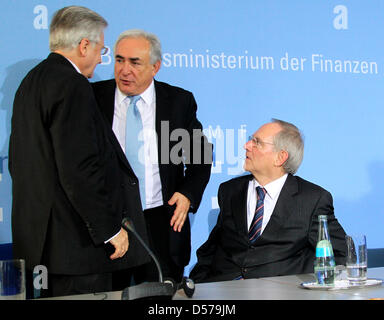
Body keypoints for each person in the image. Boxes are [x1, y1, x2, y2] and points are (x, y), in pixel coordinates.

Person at [8, 6, 149, 298]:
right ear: (84, 45)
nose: (101, 57)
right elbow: (79, 169)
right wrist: (109, 229)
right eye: (102, 48)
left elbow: (21, 164)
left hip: (44, 245)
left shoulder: (31, 82)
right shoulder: (72, 86)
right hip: (78, 249)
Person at [92, 29, 212, 286]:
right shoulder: (94, 98)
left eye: (135, 62)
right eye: (119, 59)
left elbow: (199, 158)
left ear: (155, 67)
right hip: (111, 223)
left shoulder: (177, 102)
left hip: (161, 222)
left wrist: (188, 193)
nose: (125, 70)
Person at [189, 119, 347, 283]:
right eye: (251, 139)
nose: (247, 145)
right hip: (225, 290)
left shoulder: (312, 199)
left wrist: (300, 284)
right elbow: (212, 249)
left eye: (257, 142)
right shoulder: (230, 191)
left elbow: (341, 254)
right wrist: (197, 286)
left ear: (280, 157)